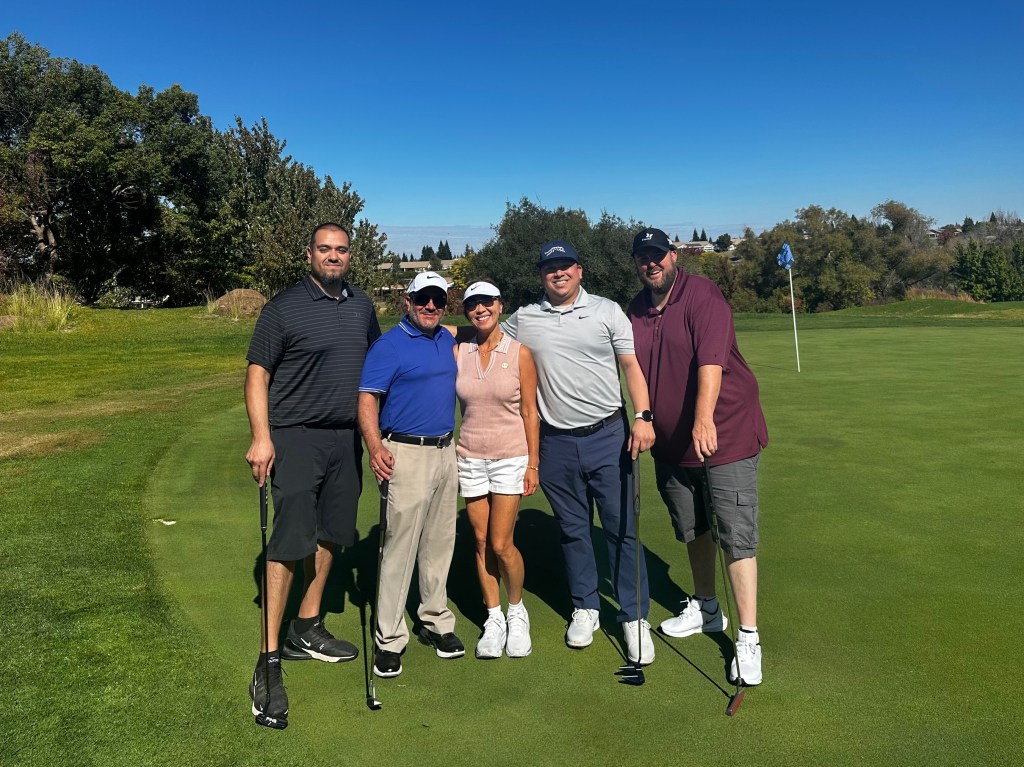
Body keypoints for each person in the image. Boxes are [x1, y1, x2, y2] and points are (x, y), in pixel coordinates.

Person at [244, 222, 381, 728]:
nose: (333, 256)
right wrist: (262, 437)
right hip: (296, 436)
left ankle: (306, 625)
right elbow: (257, 374)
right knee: (290, 539)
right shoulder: (282, 307)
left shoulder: (362, 305)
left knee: (331, 533)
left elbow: (377, 367)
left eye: (341, 250)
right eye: (325, 249)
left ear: (350, 256)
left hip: (345, 438)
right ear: (309, 255)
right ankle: (268, 658)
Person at [501, 241, 657, 665]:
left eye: (565, 265)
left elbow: (631, 367)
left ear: (580, 270)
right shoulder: (525, 319)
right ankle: (585, 607)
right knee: (573, 530)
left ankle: (633, 616)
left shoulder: (607, 311)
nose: (559, 273)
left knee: (622, 529)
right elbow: (488, 337)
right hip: (554, 442)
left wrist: (643, 415)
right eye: (550, 267)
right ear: (541, 275)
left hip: (609, 435)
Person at [626, 227, 769, 686]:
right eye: (643, 257)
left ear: (673, 256)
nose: (651, 263)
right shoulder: (636, 309)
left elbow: (711, 362)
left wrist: (703, 418)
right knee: (693, 527)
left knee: (735, 534)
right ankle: (707, 607)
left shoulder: (702, 295)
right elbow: (631, 367)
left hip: (723, 436)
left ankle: (748, 637)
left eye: (658, 255)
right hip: (672, 445)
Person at [357, 271, 464, 678]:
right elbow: (367, 398)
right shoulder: (389, 345)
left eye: (438, 299)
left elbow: (479, 328)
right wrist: (375, 446)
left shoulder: (446, 339)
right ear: (408, 301)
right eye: (423, 299)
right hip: (404, 452)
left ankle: (435, 621)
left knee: (439, 543)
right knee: (399, 548)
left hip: (445, 451)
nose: (431, 306)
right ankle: (389, 638)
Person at [454, 280, 540, 659]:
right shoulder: (460, 351)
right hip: (470, 456)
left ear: (500, 305)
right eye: (473, 304)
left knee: (502, 543)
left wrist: (533, 463)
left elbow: (530, 412)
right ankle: (494, 618)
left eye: (487, 302)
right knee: (480, 541)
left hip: (510, 456)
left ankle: (516, 610)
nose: (480, 309)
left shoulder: (520, 353)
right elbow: (432, 327)